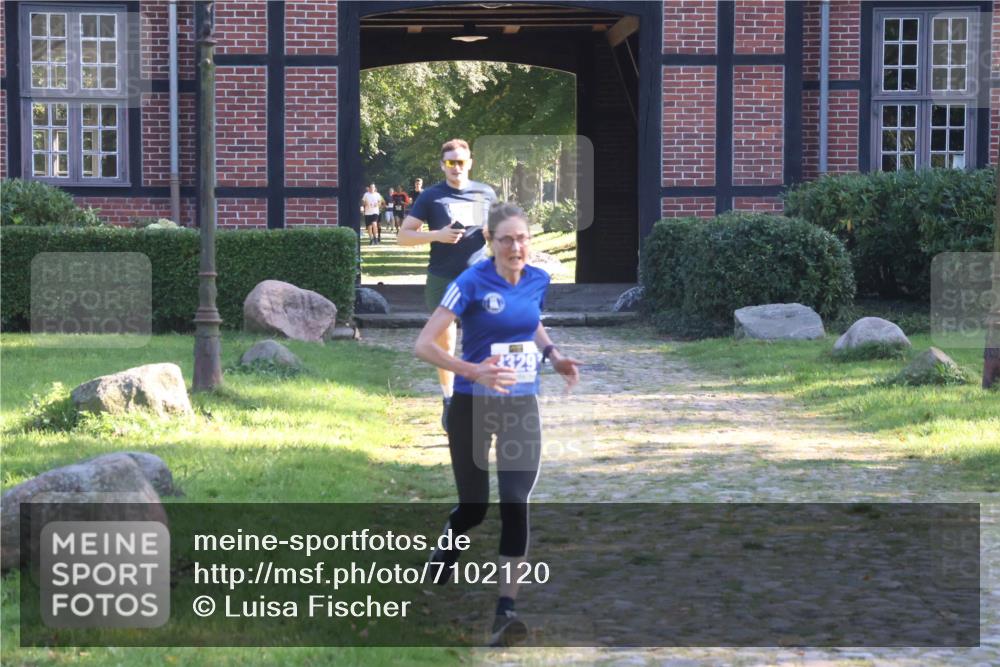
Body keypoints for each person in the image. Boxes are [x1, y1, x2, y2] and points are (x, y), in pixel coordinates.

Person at [414, 202, 581, 647]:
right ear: (489, 242)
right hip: (472, 404)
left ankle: (506, 611)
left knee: (515, 501)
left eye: (522, 237)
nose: (515, 246)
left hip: (521, 404)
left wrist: (554, 356)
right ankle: (451, 538)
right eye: (505, 239)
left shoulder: (539, 280)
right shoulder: (468, 283)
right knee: (474, 507)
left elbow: (531, 323)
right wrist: (473, 372)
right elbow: (424, 346)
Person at [398, 139, 497, 431]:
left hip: (479, 277)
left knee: (484, 339)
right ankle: (449, 399)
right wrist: (437, 236)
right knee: (446, 342)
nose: (456, 168)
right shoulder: (431, 196)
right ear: (443, 165)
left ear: (470, 163)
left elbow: (497, 233)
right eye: (450, 163)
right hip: (443, 277)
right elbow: (404, 236)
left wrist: (493, 233)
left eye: (461, 162)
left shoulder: (485, 193)